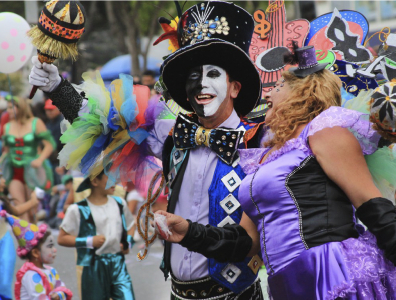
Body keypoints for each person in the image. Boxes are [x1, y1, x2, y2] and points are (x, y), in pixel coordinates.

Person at [28, 2, 265, 298]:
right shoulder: (172, 131)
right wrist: (56, 87)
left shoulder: (260, 143)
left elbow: (255, 238)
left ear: (235, 87)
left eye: (213, 74)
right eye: (193, 76)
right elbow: (103, 122)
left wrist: (190, 233)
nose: (201, 83)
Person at [156, 46, 396, 299]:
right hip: (288, 285)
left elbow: (375, 209)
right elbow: (246, 241)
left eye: (279, 86)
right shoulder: (268, 154)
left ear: (302, 93)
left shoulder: (325, 132)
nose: (269, 92)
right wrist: (189, 232)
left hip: (328, 276)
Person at [57, 170, 136, 300]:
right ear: (94, 181)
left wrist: (128, 242)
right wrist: (89, 241)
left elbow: (131, 225)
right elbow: (62, 238)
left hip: (118, 264)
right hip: (94, 266)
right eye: (109, 177)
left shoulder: (119, 203)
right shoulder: (77, 209)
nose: (114, 181)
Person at [0, 96, 55, 221]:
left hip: (33, 172)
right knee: (20, 209)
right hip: (14, 172)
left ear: (21, 107)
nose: (7, 110)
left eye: (10, 107)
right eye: (7, 107)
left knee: (32, 212)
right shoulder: (7, 126)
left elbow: (50, 145)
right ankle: (25, 239)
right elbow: (6, 151)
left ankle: (34, 239)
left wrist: (40, 159)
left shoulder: (36, 122)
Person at [0, 210, 72, 300]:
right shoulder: (31, 275)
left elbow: (62, 288)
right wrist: (56, 296)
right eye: (50, 246)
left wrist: (58, 295)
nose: (54, 250)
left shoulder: (52, 271)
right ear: (35, 253)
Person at [0, 173, 40, 300]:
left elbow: (15, 211)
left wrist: (33, 201)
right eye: (0, 177)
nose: (4, 180)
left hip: (4, 242)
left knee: (5, 281)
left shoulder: (1, 200)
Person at [44, 99, 64, 185]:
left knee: (59, 185)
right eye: (47, 110)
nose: (49, 112)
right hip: (51, 159)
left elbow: (55, 143)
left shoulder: (62, 122)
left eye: (51, 109)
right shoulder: (49, 123)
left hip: (60, 161)